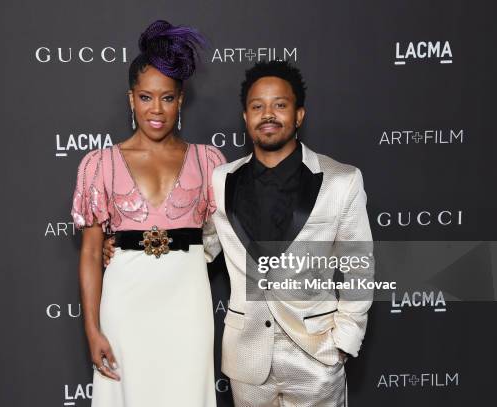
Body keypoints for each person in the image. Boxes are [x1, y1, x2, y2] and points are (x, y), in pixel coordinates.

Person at [104, 60, 374, 406]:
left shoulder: (341, 180)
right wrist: (128, 248)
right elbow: (199, 245)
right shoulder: (221, 179)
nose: (268, 114)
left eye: (280, 105)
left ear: (299, 115)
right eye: (257, 106)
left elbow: (359, 269)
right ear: (245, 117)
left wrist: (343, 343)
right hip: (246, 360)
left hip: (316, 355)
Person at [70, 20, 226, 407]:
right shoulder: (100, 164)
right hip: (125, 305)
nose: (156, 109)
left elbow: (220, 238)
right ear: (130, 99)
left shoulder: (209, 163)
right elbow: (90, 253)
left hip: (188, 303)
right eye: (145, 97)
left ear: (181, 98)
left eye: (167, 98)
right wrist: (92, 330)